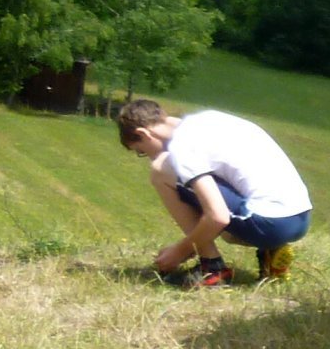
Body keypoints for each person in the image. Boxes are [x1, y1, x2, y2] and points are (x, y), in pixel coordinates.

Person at [114, 98, 312, 288]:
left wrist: (179, 252)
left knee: (160, 170)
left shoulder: (183, 147)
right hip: (301, 216)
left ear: (144, 133)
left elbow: (218, 217)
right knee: (224, 228)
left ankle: (212, 268)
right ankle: (271, 253)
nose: (147, 156)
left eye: (141, 150)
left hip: (271, 223)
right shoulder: (210, 118)